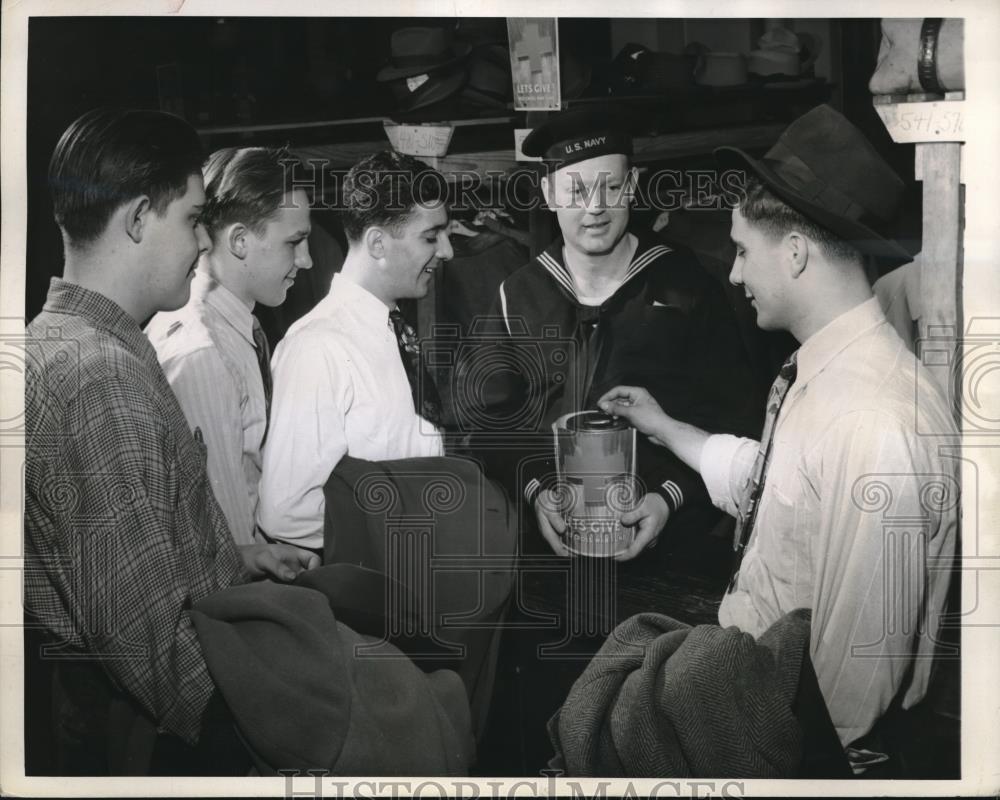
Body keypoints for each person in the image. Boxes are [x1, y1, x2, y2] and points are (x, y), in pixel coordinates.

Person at [598, 104, 958, 757]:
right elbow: (781, 496)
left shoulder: (872, 423)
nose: (733, 275)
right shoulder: (832, 370)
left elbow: (852, 689)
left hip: (790, 742)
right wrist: (665, 426)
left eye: (741, 251)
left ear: (793, 254)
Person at [24, 108, 319, 774]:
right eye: (191, 220)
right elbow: (151, 640)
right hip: (145, 743)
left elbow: (120, 552)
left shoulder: (56, 343)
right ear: (136, 220)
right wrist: (270, 746)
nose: (200, 243)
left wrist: (235, 556)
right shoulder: (101, 377)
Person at [469, 106, 763, 560]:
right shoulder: (518, 296)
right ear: (548, 192)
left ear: (634, 184)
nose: (594, 209)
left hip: (670, 544)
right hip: (548, 550)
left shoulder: (685, 283)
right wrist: (534, 491)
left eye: (610, 187)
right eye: (575, 190)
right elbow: (488, 427)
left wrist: (669, 500)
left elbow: (738, 419)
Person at [257, 149, 450, 549]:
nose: (447, 251)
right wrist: (409, 524)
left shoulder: (394, 328)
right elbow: (287, 512)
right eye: (431, 237)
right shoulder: (317, 347)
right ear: (378, 243)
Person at [146, 146, 314, 545]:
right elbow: (226, 536)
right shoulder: (206, 353)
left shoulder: (235, 327)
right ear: (240, 240)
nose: (307, 261)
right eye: (295, 242)